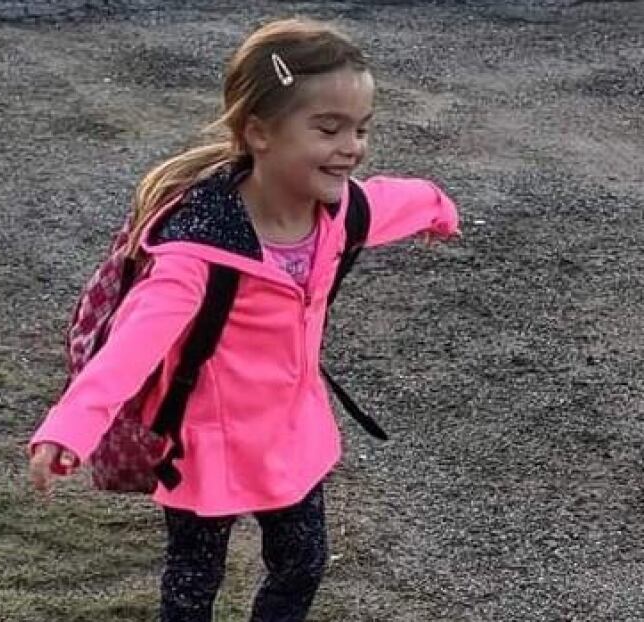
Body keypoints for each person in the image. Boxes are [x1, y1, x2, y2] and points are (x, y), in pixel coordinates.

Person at [28, 17, 460, 622]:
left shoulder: (343, 211)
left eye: (361, 129)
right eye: (328, 129)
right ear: (259, 132)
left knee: (303, 563)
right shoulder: (197, 252)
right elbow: (130, 348)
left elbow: (402, 197)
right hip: (208, 442)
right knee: (193, 580)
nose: (352, 147)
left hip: (292, 436)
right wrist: (70, 427)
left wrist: (440, 212)